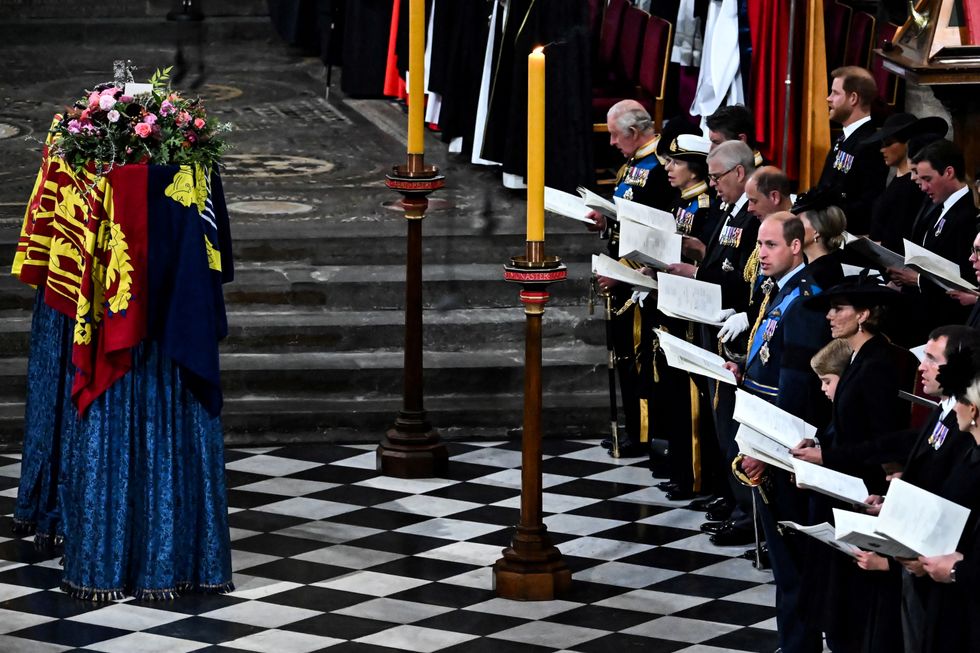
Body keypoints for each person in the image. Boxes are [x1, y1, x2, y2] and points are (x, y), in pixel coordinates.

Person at [795, 274, 915, 652]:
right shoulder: (860, 357)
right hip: (846, 485)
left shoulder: (877, 362)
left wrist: (827, 455)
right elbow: (848, 425)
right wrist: (820, 442)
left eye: (839, 309)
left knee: (857, 597)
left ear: (864, 314)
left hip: (864, 490)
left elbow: (882, 440)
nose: (830, 316)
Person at [728, 214, 830, 653]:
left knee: (793, 564)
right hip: (763, 431)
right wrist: (742, 368)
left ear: (795, 246)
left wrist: (766, 452)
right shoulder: (780, 292)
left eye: (769, 245)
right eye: (758, 245)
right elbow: (769, 361)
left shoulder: (804, 300)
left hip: (782, 447)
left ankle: (799, 645)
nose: (760, 254)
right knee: (783, 560)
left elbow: (796, 389)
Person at [666, 141, 760, 546]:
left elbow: (743, 273)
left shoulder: (752, 218)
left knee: (731, 421)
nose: (713, 185)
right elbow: (719, 260)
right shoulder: (727, 211)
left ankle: (744, 509)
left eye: (718, 177)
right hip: (713, 317)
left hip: (734, 326)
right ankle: (731, 497)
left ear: (739, 173)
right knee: (720, 419)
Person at [916, 346, 980, 652]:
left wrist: (958, 570)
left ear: (974, 410)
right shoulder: (970, 454)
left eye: (960, 402)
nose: (954, 409)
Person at [888, 139, 980, 338]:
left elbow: (967, 275)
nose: (922, 187)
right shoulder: (937, 207)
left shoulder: (968, 213)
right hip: (925, 314)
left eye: (927, 179)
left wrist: (919, 279)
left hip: (947, 321)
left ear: (948, 172)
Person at [816, 66, 889, 236]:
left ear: (853, 98)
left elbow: (867, 203)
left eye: (835, 93)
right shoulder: (844, 137)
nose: (828, 98)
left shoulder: (871, 143)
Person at [863, 113, 947, 253]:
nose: (882, 149)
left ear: (907, 144)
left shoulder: (915, 186)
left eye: (889, 143)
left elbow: (903, 232)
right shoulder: (897, 180)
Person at [790, 188, 847, 291]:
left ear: (816, 230)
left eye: (798, 223)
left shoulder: (823, 273)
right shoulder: (820, 265)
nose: (792, 228)